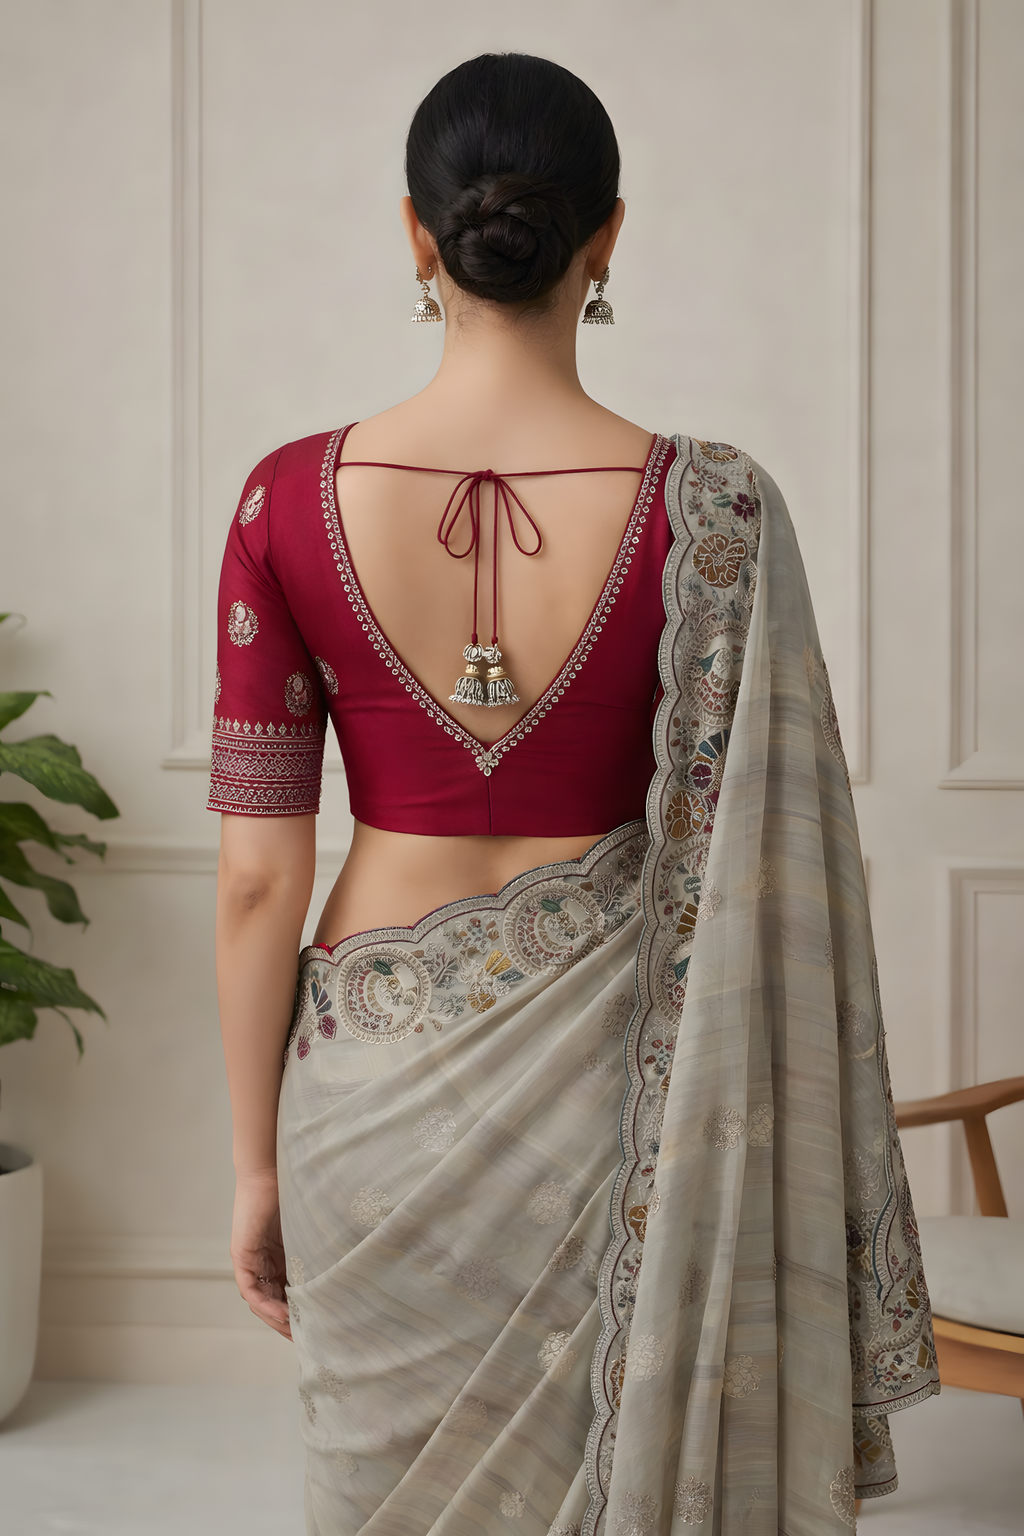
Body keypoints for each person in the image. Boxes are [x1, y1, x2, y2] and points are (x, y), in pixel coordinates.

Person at [210, 53, 938, 1536]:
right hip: (628, 1102)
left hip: (362, 1094)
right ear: (609, 236)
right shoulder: (718, 506)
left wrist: (250, 1166)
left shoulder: (281, 501)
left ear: (415, 238)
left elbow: (255, 882)